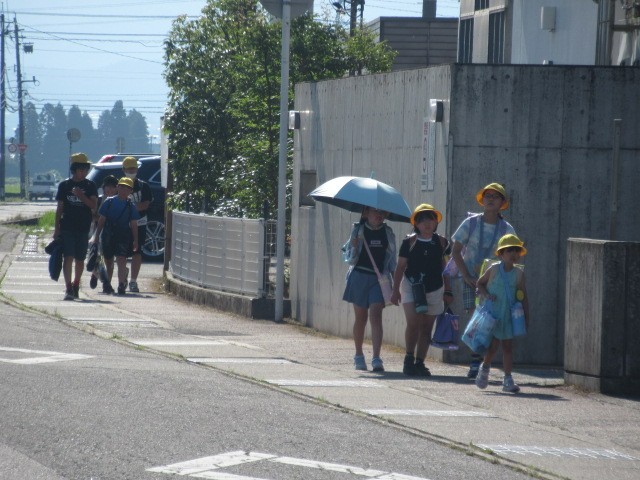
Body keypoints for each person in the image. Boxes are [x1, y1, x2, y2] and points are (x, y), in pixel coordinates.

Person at [449, 182, 516, 378]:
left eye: (496, 196)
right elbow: (455, 251)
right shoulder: (470, 223)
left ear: (502, 203)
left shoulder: (507, 229)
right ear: (482, 200)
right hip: (470, 279)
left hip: (495, 283)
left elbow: (513, 256)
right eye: (488, 195)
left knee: (491, 321)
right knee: (476, 319)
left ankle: (482, 363)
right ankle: (475, 361)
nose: (491, 199)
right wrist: (466, 275)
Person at [391, 204, 452, 376]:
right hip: (411, 286)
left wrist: (448, 290)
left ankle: (420, 362)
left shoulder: (442, 242)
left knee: (426, 327)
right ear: (416, 223)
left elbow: (446, 268)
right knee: (413, 323)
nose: (427, 223)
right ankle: (408, 358)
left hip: (435, 288)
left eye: (431, 219)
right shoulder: (409, 242)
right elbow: (400, 267)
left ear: (436, 222)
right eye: (422, 220)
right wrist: (395, 290)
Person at [342, 207, 397, 372]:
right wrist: (353, 246)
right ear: (366, 213)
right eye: (375, 211)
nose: (379, 214)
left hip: (379, 279)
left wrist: (395, 286)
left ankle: (376, 358)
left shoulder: (388, 233)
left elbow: (392, 261)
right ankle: (358, 355)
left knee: (376, 315)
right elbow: (348, 258)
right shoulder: (358, 230)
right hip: (358, 276)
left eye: (382, 212)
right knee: (361, 318)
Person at [474, 234, 529, 393]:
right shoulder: (493, 269)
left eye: (516, 251)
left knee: (508, 348)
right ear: (501, 254)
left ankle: (508, 379)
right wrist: (486, 294)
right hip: (493, 316)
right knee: (492, 348)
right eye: (509, 250)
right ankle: (485, 369)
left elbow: (523, 296)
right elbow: (480, 283)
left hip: (508, 317)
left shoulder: (519, 274)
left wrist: (526, 316)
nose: (514, 254)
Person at [54, 153, 98, 300]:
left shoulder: (90, 186)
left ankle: (76, 284)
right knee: (68, 257)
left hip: (83, 228)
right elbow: (60, 208)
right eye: (81, 169)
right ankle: (68, 287)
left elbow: (93, 205)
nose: (84, 172)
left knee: (80, 259)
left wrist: (81, 196)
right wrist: (56, 228)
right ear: (74, 169)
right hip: (67, 226)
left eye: (86, 169)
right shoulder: (64, 185)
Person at [91, 177, 140, 295]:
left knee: (121, 259)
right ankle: (107, 284)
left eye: (127, 188)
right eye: (122, 187)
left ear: (131, 191)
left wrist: (136, 240)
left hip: (123, 235)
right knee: (108, 260)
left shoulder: (131, 205)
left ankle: (121, 284)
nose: (124, 190)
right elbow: (101, 220)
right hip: (108, 235)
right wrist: (96, 236)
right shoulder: (109, 202)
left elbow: (134, 224)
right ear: (117, 187)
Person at [122, 156, 153, 293]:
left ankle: (133, 281)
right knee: (121, 253)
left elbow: (145, 204)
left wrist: (130, 208)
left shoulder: (143, 186)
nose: (131, 171)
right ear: (123, 169)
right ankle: (122, 277)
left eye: (134, 169)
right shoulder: (120, 185)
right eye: (129, 169)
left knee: (137, 251)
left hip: (140, 223)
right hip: (123, 224)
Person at [88, 175, 119, 293]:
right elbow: (93, 215)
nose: (110, 190)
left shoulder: (119, 201)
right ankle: (95, 274)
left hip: (113, 233)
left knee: (109, 260)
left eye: (113, 187)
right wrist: (103, 219)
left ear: (117, 188)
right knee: (97, 257)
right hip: (98, 232)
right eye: (107, 187)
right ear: (103, 188)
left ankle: (107, 284)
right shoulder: (100, 200)